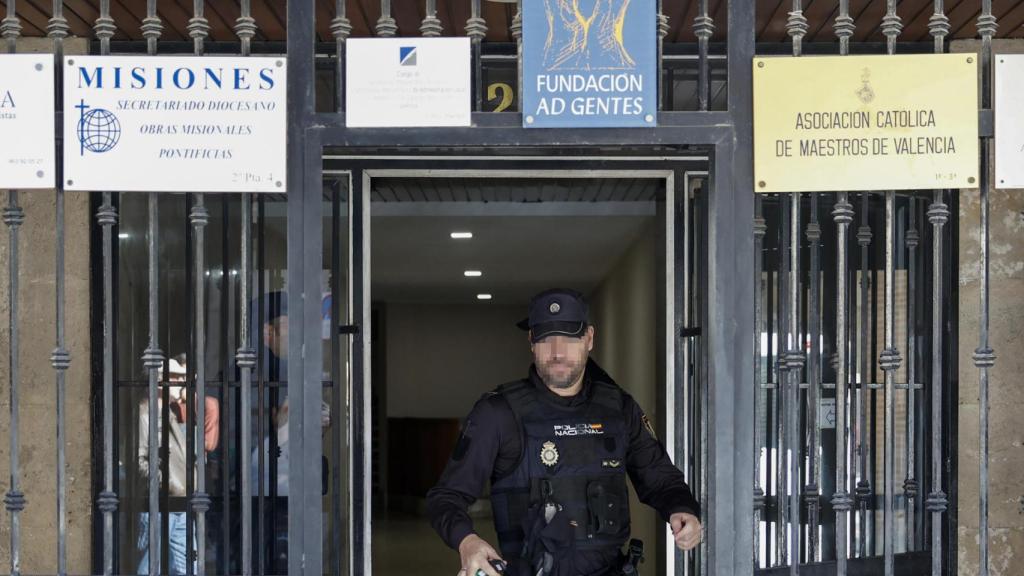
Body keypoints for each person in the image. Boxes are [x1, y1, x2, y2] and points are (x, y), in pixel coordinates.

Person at [427, 288, 702, 576]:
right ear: (531, 341)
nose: (557, 352)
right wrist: (467, 542)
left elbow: (661, 479)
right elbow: (445, 497)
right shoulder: (498, 413)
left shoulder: (619, 409)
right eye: (546, 338)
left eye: (570, 337)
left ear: (589, 339)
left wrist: (682, 509)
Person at [137, 355, 220, 575]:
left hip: (180, 502)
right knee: (149, 567)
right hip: (162, 502)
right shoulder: (145, 414)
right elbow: (138, 460)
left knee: (187, 567)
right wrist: (171, 485)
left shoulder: (170, 412)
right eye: (175, 378)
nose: (181, 382)